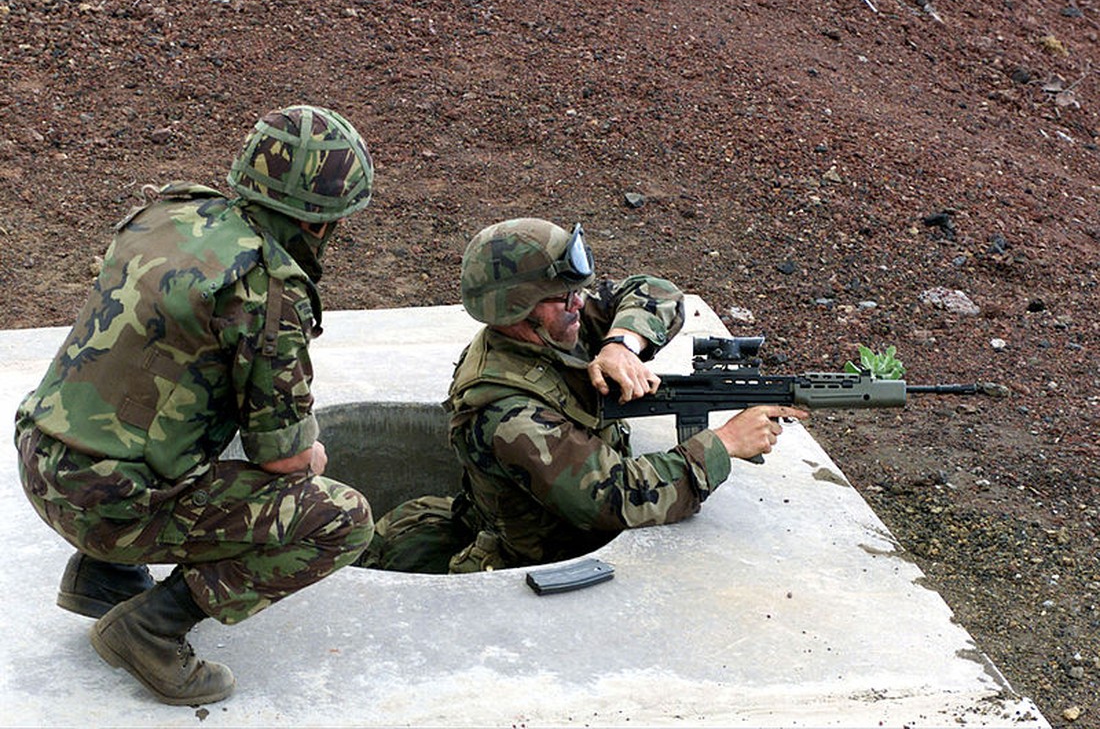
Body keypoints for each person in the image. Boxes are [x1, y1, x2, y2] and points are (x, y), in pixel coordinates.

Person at [14, 105, 377, 705]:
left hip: (39, 458)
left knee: (180, 396)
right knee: (339, 518)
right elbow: (283, 457)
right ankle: (150, 628)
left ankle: (101, 574)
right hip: (103, 507)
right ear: (320, 223)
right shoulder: (269, 289)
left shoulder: (170, 212)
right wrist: (312, 458)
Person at [363, 218, 808, 574]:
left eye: (576, 290)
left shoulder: (556, 327)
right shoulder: (509, 413)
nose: (579, 303)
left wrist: (622, 343)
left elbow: (657, 291)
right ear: (515, 309)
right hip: (531, 565)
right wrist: (725, 445)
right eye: (562, 296)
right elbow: (616, 499)